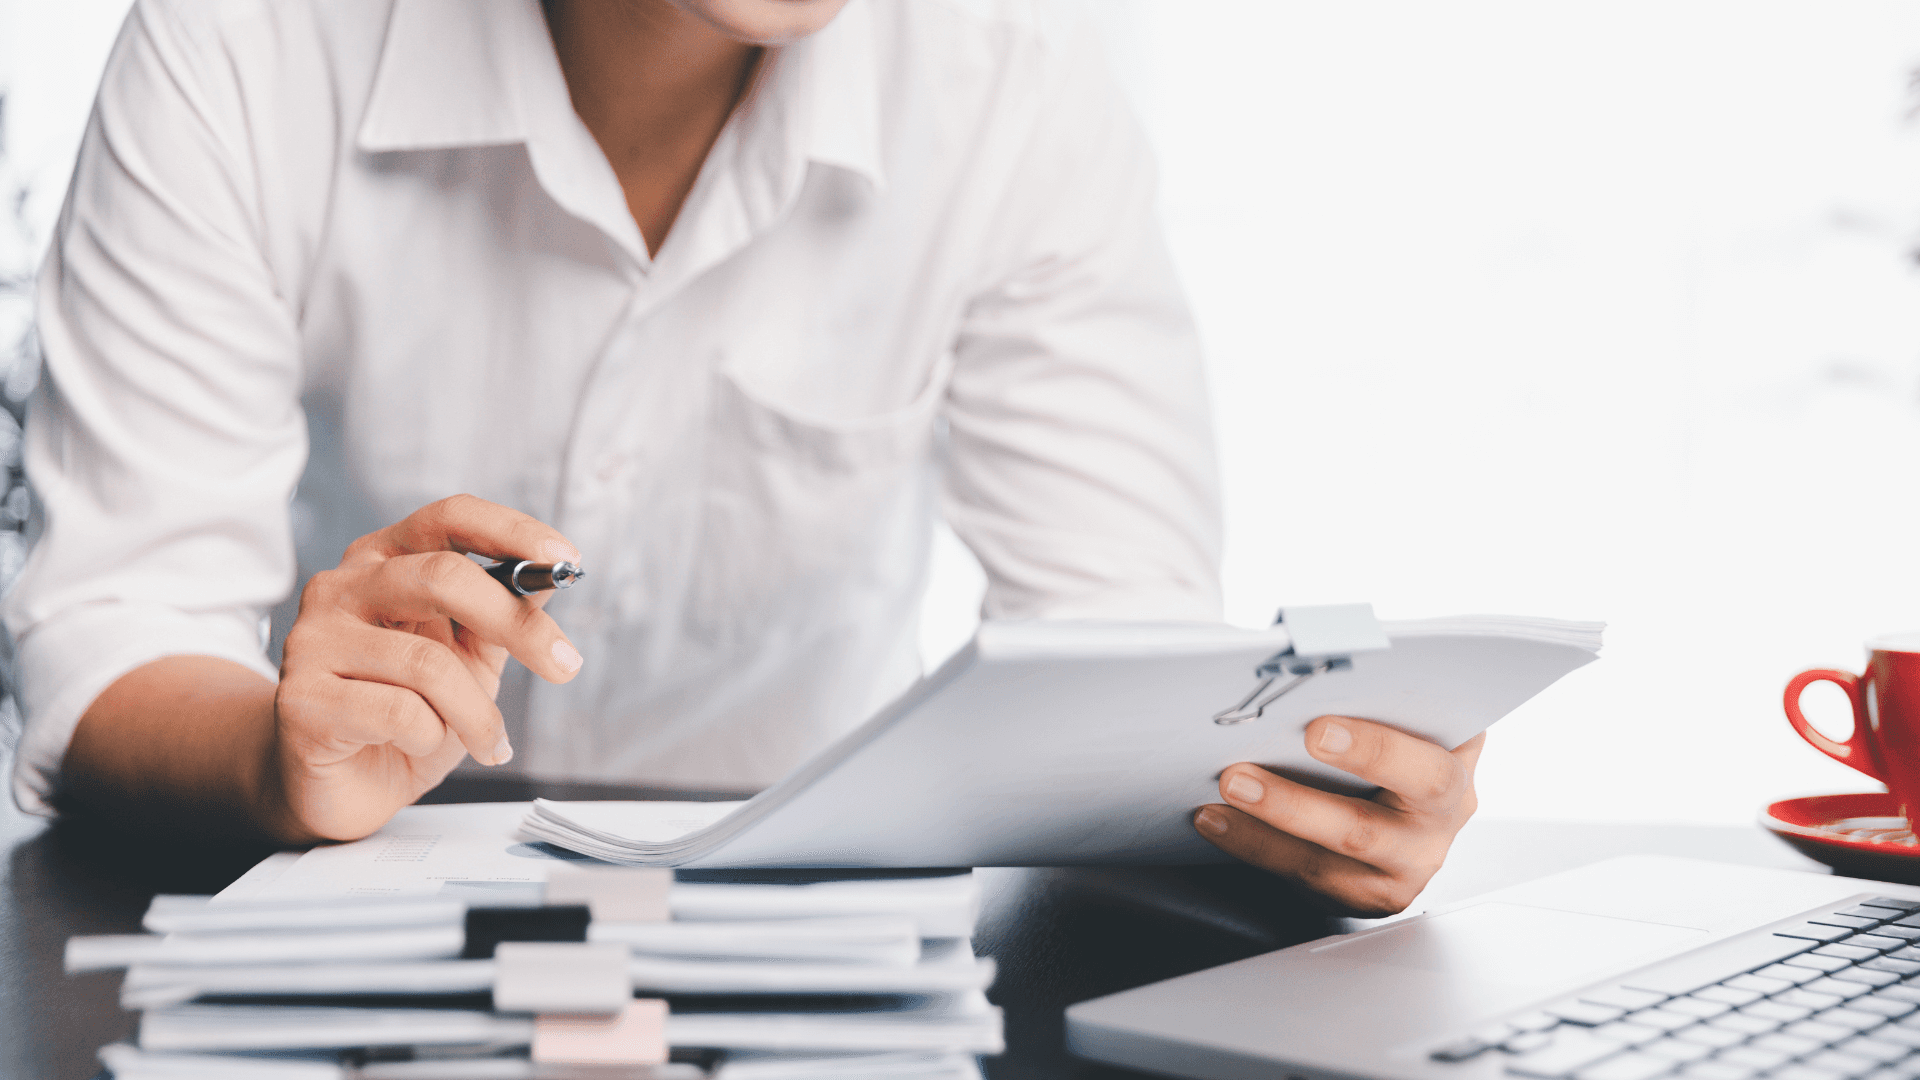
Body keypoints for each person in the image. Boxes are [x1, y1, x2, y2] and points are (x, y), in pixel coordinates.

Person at [8, 0, 1480, 916]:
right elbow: (104, 627)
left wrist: (1290, 805)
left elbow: (1115, 640)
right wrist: (283, 757)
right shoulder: (245, 39)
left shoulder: (1013, 80)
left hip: (822, 921)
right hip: (331, 891)